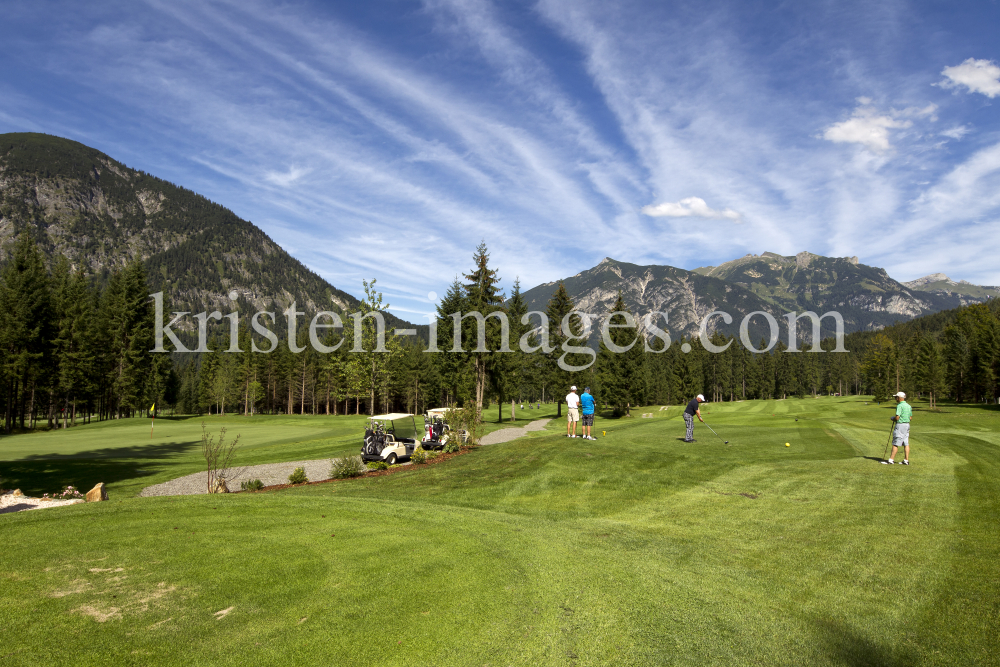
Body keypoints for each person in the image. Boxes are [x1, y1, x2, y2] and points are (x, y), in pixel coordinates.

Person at [882, 391, 912, 465]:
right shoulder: (909, 406)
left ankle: (891, 460)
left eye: (896, 397)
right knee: (906, 443)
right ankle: (906, 460)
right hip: (907, 425)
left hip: (900, 425)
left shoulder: (899, 406)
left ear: (899, 398)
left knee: (896, 442)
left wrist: (893, 418)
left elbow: (897, 417)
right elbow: (910, 418)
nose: (895, 398)